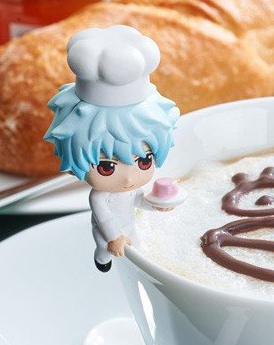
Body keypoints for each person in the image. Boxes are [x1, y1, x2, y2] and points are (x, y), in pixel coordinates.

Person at [44, 25, 180, 272]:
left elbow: (137, 200)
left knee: (139, 255)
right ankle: (101, 260)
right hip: (107, 233)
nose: (128, 178)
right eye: (107, 167)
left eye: (144, 161)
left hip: (130, 227)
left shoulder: (131, 189)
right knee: (105, 250)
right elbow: (104, 216)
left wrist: (155, 205)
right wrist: (113, 237)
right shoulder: (99, 196)